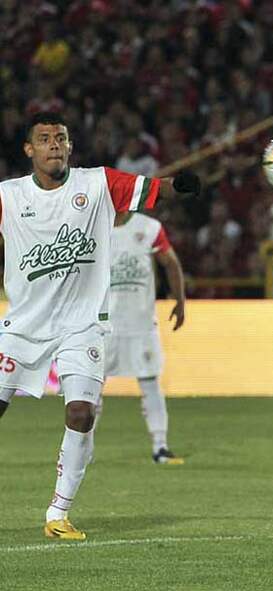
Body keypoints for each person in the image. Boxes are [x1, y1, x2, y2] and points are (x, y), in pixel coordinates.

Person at [0, 112, 200, 540]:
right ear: (29, 149)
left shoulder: (97, 184)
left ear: (70, 146)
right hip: (24, 325)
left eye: (61, 137)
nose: (54, 144)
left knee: (82, 412)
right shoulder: (9, 195)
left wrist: (180, 185)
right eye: (44, 138)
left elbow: (154, 188)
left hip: (83, 324)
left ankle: (58, 513)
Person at [102, 211, 186, 464]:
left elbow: (170, 262)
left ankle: (160, 446)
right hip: (103, 325)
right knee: (90, 388)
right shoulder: (93, 226)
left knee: (150, 383)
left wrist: (180, 300)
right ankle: (82, 450)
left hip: (141, 324)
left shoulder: (149, 227)